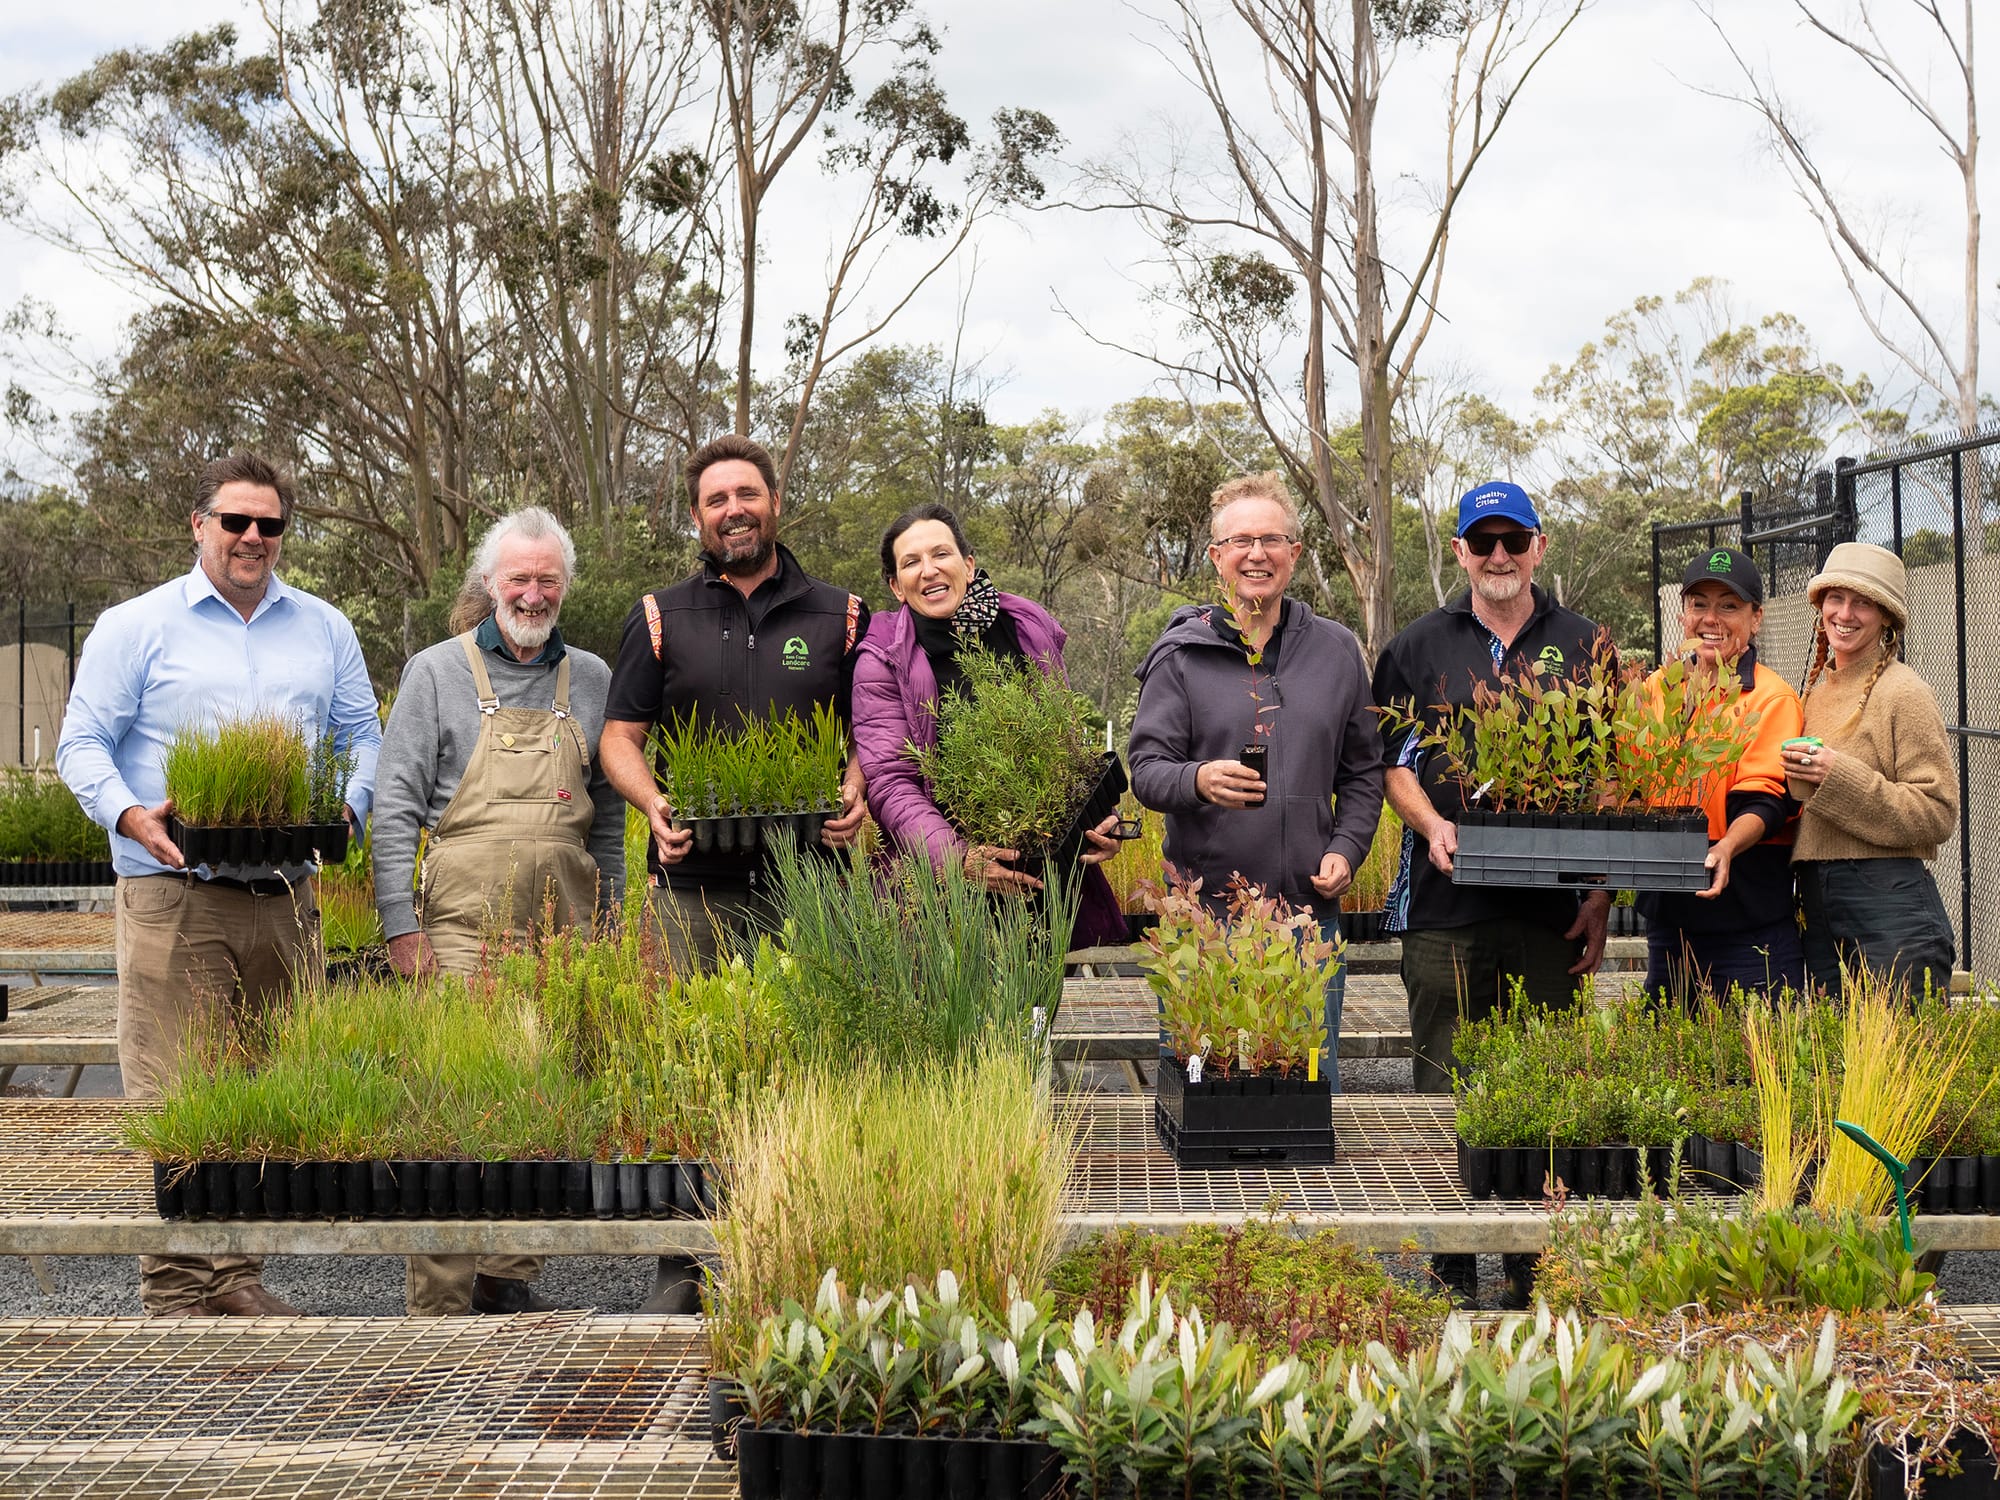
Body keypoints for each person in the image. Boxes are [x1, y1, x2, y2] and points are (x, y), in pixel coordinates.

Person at [56, 452, 381, 1318]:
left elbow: (362, 735)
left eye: (269, 524)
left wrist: (350, 805)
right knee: (175, 1085)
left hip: (286, 896)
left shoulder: (324, 628)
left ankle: (237, 1275)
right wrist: (131, 815)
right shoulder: (137, 625)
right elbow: (80, 743)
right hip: (177, 893)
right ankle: (175, 1287)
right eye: (235, 520)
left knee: (267, 1084)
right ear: (199, 524)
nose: (252, 537)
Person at [598, 433, 869, 1314]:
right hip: (692, 891)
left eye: (747, 494)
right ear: (696, 516)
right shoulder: (659, 616)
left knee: (808, 1062)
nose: (734, 511)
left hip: (812, 887)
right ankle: (684, 1265)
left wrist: (859, 787)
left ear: (774, 502)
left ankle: (796, 1252)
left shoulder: (843, 615)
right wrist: (652, 804)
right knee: (690, 1066)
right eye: (717, 500)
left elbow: (872, 731)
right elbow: (619, 738)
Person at [373, 506, 626, 1317]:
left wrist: (615, 927)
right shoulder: (435, 672)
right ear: (490, 583)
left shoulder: (592, 679)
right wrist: (399, 925)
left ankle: (507, 1276)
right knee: (449, 1108)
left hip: (566, 933)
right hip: (459, 931)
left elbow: (609, 821)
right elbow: (394, 807)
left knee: (550, 1101)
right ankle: (442, 1302)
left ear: (566, 586)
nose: (533, 593)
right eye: (519, 578)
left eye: (548, 579)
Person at [1370, 479, 1609, 1308]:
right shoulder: (1416, 647)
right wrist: (1433, 824)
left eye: (1514, 540)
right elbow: (1391, 764)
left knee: (1547, 1089)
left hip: (1550, 912)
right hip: (1446, 911)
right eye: (1483, 542)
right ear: (1460, 552)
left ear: (1540, 546)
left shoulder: (1586, 644)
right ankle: (1452, 1268)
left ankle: (1532, 1269)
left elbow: (1615, 774)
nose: (1499, 556)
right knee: (1445, 1085)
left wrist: (1600, 895)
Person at [1128, 472, 1385, 1080]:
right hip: (1204, 924)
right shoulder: (1181, 656)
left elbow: (1363, 770)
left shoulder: (1336, 652)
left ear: (1294, 552)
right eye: (1240, 541)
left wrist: (1347, 848)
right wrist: (1198, 780)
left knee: (1305, 1093)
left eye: (1271, 540)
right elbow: (1146, 770)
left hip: (1306, 921)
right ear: (1216, 557)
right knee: (1204, 1095)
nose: (1256, 554)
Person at [852, 503, 1125, 943]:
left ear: (968, 564)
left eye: (941, 554)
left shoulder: (1025, 627)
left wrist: (1098, 822)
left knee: (1057, 985)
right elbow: (890, 781)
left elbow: (1064, 748)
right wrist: (957, 859)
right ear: (896, 586)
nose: (929, 570)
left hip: (1052, 876)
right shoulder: (883, 657)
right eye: (911, 562)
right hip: (947, 894)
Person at [1785, 541, 1958, 998]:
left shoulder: (1904, 692)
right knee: (1836, 1041)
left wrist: (1837, 776)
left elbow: (1938, 811)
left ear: (1886, 617)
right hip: (1816, 899)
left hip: (1888, 901)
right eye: (1835, 598)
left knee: (1901, 1039)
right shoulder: (1814, 693)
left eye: (1862, 602)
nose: (1845, 614)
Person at [1637, 548, 1805, 1002]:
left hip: (1748, 927)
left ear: (1756, 618)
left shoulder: (1771, 699)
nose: (1711, 619)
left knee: (1758, 1047)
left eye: (1729, 606)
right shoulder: (1655, 690)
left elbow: (1767, 800)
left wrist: (1727, 846)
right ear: (1682, 614)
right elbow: (1631, 785)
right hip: (1669, 924)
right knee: (1670, 1046)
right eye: (1699, 604)